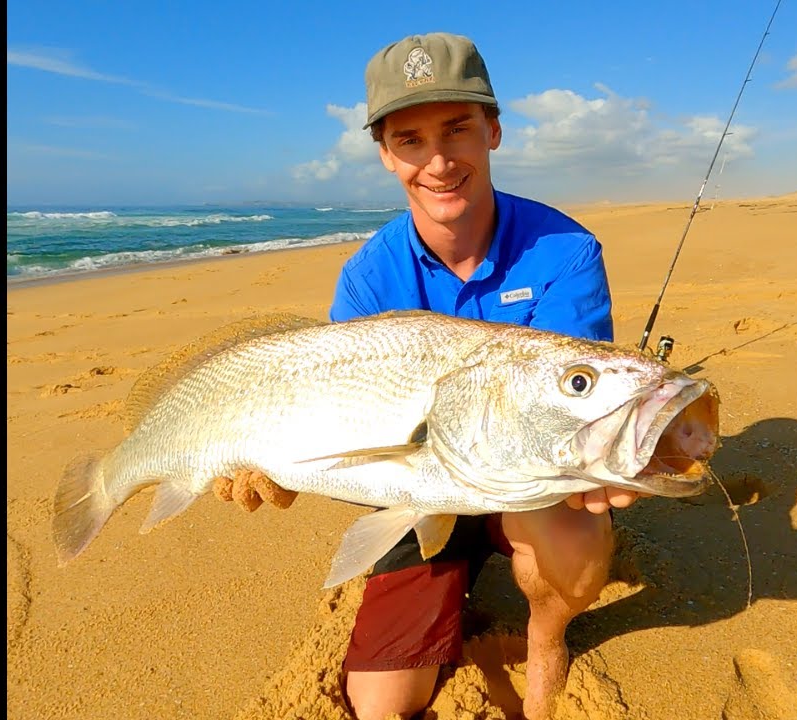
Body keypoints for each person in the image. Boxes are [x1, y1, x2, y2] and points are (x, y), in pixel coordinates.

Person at [215, 32, 647, 720]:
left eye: (458, 130)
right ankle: (443, 581)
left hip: (523, 489)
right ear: (386, 155)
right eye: (410, 140)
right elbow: (338, 430)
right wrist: (279, 470)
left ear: (493, 131)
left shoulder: (565, 251)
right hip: (417, 493)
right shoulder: (368, 277)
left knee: (577, 539)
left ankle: (545, 635)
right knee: (382, 701)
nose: (439, 160)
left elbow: (578, 396)